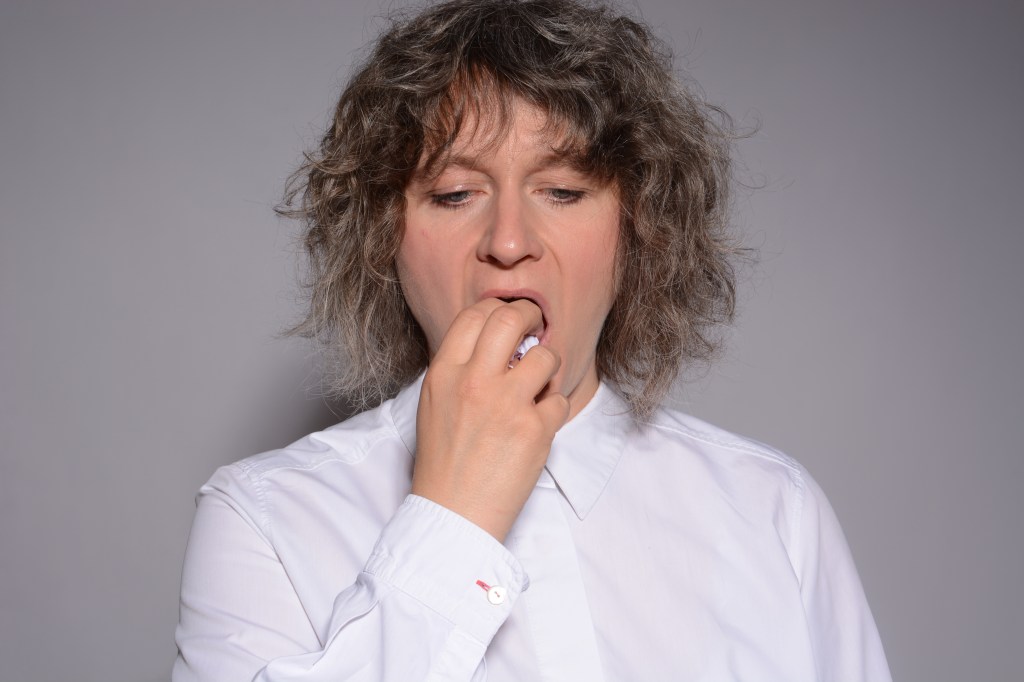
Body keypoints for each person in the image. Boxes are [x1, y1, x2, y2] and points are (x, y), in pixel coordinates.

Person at [173, 1, 891, 680]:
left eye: (564, 191)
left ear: (637, 228)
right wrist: (454, 513)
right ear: (383, 238)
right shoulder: (263, 518)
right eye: (455, 194)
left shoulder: (773, 510)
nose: (509, 242)